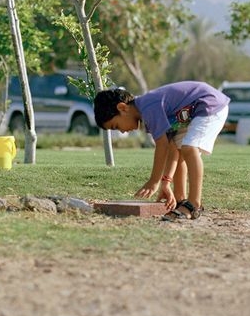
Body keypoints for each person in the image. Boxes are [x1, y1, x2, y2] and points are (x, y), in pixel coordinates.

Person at [93, 81, 229, 221]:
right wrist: (165, 182)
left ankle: (193, 204)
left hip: (209, 104)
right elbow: (172, 149)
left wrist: (154, 181)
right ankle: (180, 200)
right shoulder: (146, 109)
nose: (121, 131)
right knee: (179, 148)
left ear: (122, 108)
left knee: (189, 148)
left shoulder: (148, 107)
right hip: (195, 110)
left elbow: (162, 145)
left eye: (116, 126)